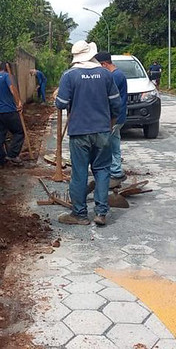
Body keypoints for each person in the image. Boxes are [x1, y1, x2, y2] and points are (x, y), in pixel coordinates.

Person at [53, 41, 121, 226]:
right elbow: (116, 104)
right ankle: (101, 213)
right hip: (102, 131)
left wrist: (57, 97)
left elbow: (60, 103)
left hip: (79, 132)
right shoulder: (106, 74)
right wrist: (111, 123)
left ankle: (80, 214)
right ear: (92, 54)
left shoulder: (69, 75)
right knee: (102, 171)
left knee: (80, 173)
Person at [95, 51, 127, 188]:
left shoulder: (115, 77)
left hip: (115, 117)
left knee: (107, 145)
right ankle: (116, 169)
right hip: (119, 116)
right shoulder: (118, 74)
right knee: (114, 143)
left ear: (104, 64)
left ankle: (115, 171)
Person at [0, 61, 25, 167]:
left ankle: (0, 162)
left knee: (0, 136)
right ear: (8, 68)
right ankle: (12, 154)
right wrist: (19, 102)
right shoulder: (8, 76)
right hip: (9, 111)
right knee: (19, 132)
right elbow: (12, 89)